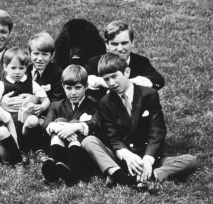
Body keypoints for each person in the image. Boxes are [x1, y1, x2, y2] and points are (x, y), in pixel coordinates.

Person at [82, 53, 197, 190]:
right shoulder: (105, 102)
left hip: (148, 156)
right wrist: (127, 155)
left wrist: (148, 159)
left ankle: (146, 176)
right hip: (122, 159)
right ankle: (124, 177)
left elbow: (157, 131)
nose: (111, 83)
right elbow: (112, 137)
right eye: (106, 80)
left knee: (190, 161)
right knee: (89, 141)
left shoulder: (149, 94)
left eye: (114, 76)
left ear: (127, 72)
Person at [0, 47, 50, 164]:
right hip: (10, 120)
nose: (17, 72)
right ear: (5, 67)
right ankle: (19, 150)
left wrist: (41, 107)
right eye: (13, 68)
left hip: (27, 119)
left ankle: (38, 149)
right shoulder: (1, 85)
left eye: (21, 68)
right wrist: (2, 106)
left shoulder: (31, 83)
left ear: (26, 68)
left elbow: (45, 100)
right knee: (13, 123)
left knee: (33, 120)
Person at [41, 65, 99, 186]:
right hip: (59, 148)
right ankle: (52, 168)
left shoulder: (93, 105)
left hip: (79, 153)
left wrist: (76, 127)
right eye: (69, 88)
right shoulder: (56, 105)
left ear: (86, 86)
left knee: (75, 124)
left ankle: (72, 171)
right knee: (58, 121)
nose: (73, 92)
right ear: (63, 87)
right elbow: (45, 123)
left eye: (78, 88)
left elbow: (97, 123)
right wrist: (58, 127)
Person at [85, 21, 165, 101]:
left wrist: (128, 83)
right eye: (114, 44)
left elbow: (157, 80)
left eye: (124, 43)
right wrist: (105, 82)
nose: (120, 49)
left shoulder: (140, 61)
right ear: (107, 44)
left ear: (132, 42)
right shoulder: (95, 62)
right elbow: (86, 80)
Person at [26, 32, 65, 102]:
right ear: (29, 53)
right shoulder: (25, 71)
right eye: (36, 53)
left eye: (45, 54)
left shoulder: (58, 74)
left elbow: (57, 102)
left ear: (52, 55)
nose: (40, 58)